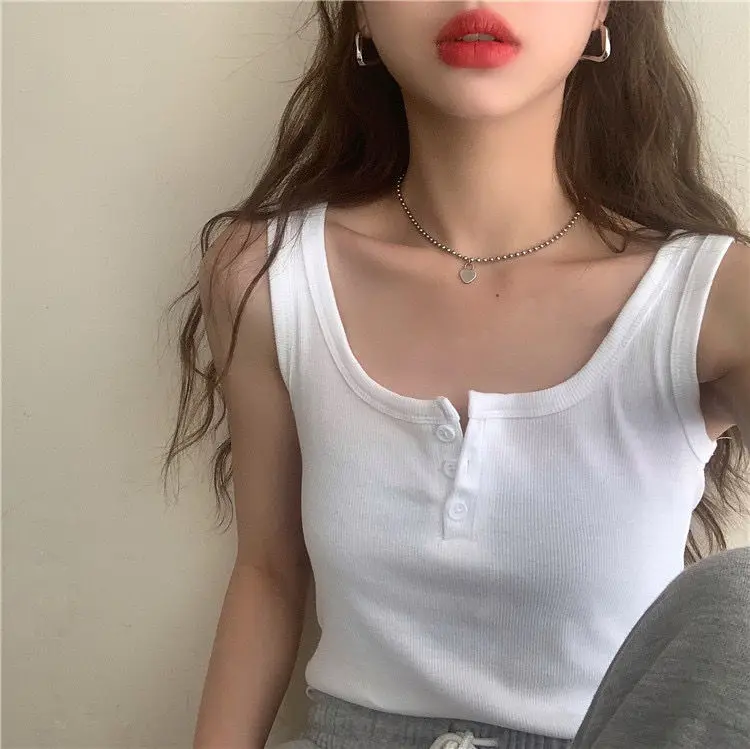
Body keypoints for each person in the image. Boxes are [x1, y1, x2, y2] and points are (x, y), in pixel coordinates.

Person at [164, 1, 750, 747]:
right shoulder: (269, 273)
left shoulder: (716, 298)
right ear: (362, 15)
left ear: (602, 8)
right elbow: (268, 573)